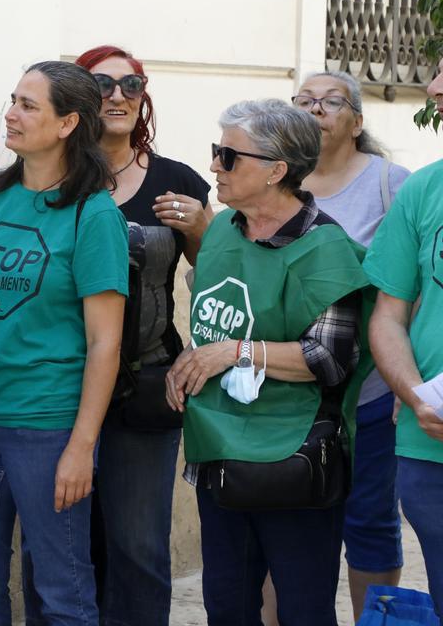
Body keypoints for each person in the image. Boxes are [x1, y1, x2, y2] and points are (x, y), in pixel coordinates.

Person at [0, 61, 128, 625]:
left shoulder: (93, 212)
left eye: (28, 105)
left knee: (63, 591)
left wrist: (82, 446)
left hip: (47, 428)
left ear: (67, 124)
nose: (9, 113)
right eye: (13, 99)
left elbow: (105, 343)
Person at [166, 99, 369, 626]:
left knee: (302, 609)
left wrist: (231, 353)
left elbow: (329, 358)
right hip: (220, 450)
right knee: (227, 606)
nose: (214, 165)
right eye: (217, 152)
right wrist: (190, 361)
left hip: (293, 458)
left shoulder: (325, 248)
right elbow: (220, 325)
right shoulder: (223, 233)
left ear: (277, 170)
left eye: (228, 155)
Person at [28, 46, 209, 626]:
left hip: (144, 386)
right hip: (55, 387)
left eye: (132, 84)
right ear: (77, 99)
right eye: (102, 84)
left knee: (138, 549)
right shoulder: (45, 181)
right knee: (56, 547)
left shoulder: (175, 180)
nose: (118, 95)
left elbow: (216, 282)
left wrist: (203, 231)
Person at [298, 70, 411, 620]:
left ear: (358, 121)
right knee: (291, 522)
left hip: (370, 394)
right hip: (292, 394)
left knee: (369, 521)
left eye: (331, 100)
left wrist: (404, 379)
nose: (316, 108)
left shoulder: (394, 184)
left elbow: (412, 293)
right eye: (304, 100)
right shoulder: (274, 179)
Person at [364, 58, 443, 619]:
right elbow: (388, 316)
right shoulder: (425, 190)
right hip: (428, 447)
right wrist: (414, 392)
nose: (433, 86)